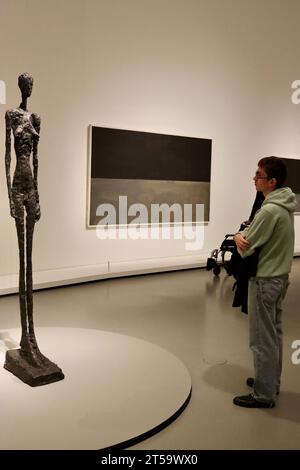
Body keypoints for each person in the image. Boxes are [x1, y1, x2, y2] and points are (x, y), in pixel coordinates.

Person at [233, 157, 296, 408]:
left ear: (271, 181)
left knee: (262, 339)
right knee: (274, 334)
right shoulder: (284, 205)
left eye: (259, 175)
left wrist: (239, 234)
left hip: (264, 280)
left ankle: (263, 394)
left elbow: (246, 247)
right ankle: (270, 382)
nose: (254, 178)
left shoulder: (269, 210)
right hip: (279, 278)